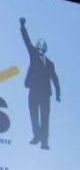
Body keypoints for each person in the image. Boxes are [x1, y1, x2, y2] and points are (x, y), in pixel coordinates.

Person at [20, 17, 61, 150]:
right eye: (39, 46)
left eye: (43, 47)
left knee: (45, 118)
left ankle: (44, 142)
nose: (41, 48)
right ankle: (36, 136)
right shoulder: (33, 55)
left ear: (45, 49)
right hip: (33, 91)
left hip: (45, 95)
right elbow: (27, 41)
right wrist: (23, 26)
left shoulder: (50, 64)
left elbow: (55, 78)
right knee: (34, 116)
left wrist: (58, 94)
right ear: (37, 47)